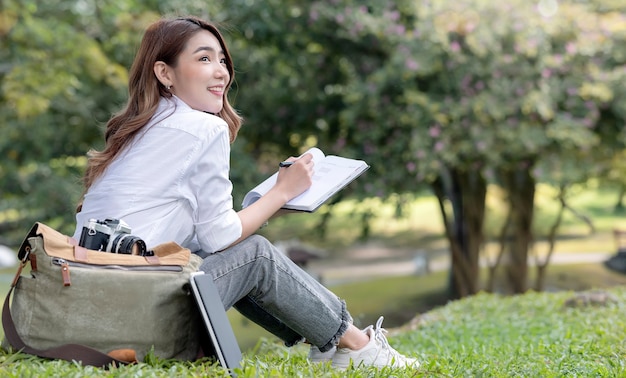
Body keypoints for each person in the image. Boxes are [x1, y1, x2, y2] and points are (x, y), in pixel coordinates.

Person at [73, 15, 419, 370]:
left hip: (100, 318)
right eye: (204, 59)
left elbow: (196, 235)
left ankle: (336, 343)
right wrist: (281, 192)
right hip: (138, 325)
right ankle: (358, 348)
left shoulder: (139, 132)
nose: (221, 71)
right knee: (254, 255)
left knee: (239, 250)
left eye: (222, 60)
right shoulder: (203, 128)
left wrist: (273, 202)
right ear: (165, 73)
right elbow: (220, 237)